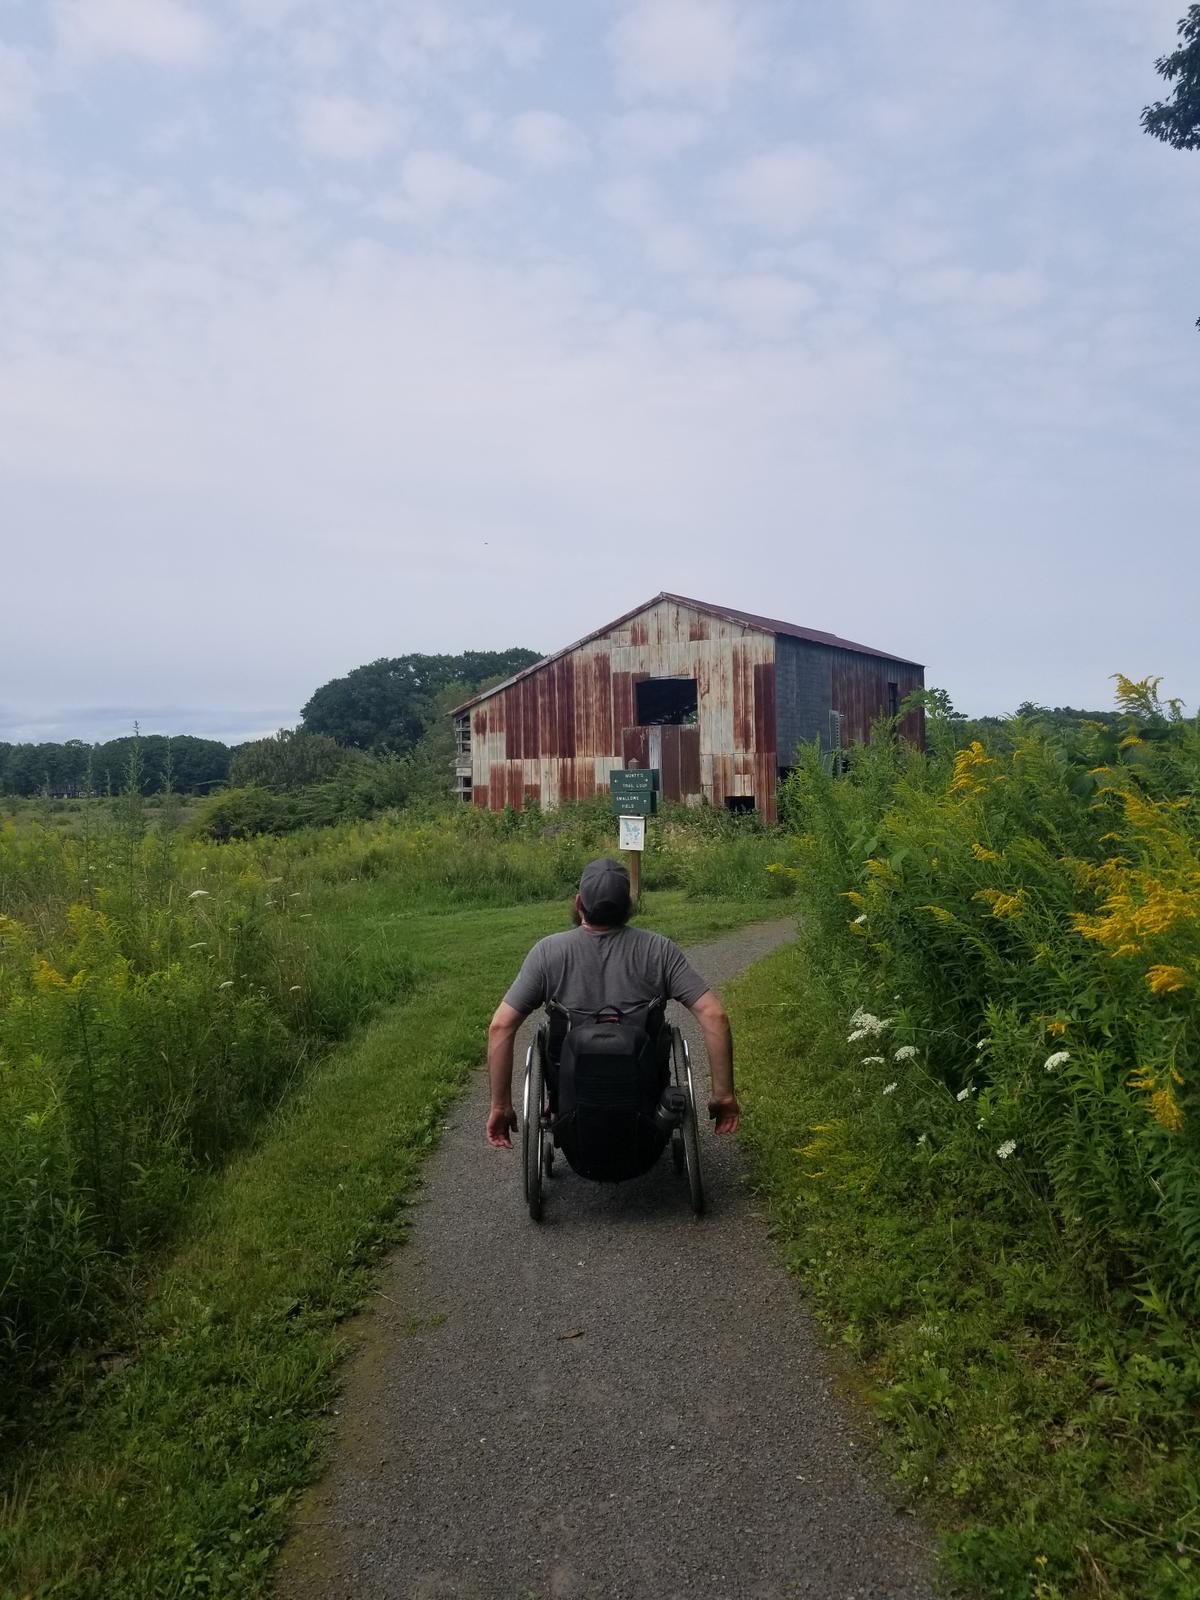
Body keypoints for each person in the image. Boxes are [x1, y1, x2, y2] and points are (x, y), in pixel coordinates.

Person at [485, 858, 739, 1148]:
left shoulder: (547, 953)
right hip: (645, 1100)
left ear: (579, 902)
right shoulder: (659, 951)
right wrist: (723, 1095)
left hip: (571, 1099)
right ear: (628, 905)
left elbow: (501, 1026)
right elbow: (714, 1015)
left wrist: (501, 1106)